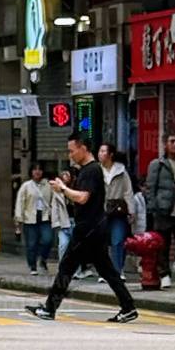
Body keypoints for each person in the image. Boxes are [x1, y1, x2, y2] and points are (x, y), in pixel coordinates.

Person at [29, 135, 138, 323]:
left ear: (83, 148)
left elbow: (83, 198)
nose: (70, 155)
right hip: (94, 228)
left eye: (72, 150)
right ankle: (128, 307)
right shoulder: (89, 170)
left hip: (87, 229)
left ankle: (49, 308)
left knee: (66, 267)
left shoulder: (91, 170)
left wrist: (63, 189)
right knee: (107, 270)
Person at [145, 134, 175, 288]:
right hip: (163, 210)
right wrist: (153, 207)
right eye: (172, 141)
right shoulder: (158, 164)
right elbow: (150, 188)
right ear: (165, 145)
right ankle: (165, 274)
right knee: (163, 244)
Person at [99, 142, 134, 277]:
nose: (100, 154)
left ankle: (117, 270)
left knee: (118, 240)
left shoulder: (121, 171)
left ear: (110, 154)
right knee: (102, 242)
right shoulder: (97, 170)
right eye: (100, 151)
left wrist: (131, 210)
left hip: (118, 211)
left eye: (103, 151)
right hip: (101, 211)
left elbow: (128, 192)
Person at [13, 161, 54, 275]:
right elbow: (20, 203)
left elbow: (53, 200)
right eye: (35, 169)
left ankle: (43, 259)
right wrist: (18, 220)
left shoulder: (48, 185)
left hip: (45, 217)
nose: (37, 172)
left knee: (48, 240)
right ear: (31, 171)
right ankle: (32, 266)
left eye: (39, 169)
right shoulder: (26, 186)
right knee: (31, 244)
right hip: (30, 218)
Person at [51, 167, 73, 262]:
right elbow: (54, 209)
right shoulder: (57, 193)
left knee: (76, 247)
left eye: (68, 175)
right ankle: (63, 268)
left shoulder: (75, 190)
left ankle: (77, 271)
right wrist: (56, 223)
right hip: (64, 222)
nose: (66, 177)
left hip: (75, 221)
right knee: (63, 245)